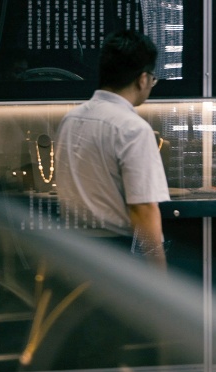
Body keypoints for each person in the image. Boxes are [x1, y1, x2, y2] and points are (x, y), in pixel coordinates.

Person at [55, 32, 170, 268]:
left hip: (71, 248)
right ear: (143, 79)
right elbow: (143, 208)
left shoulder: (70, 119)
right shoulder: (133, 128)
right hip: (115, 252)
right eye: (153, 79)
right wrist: (159, 272)